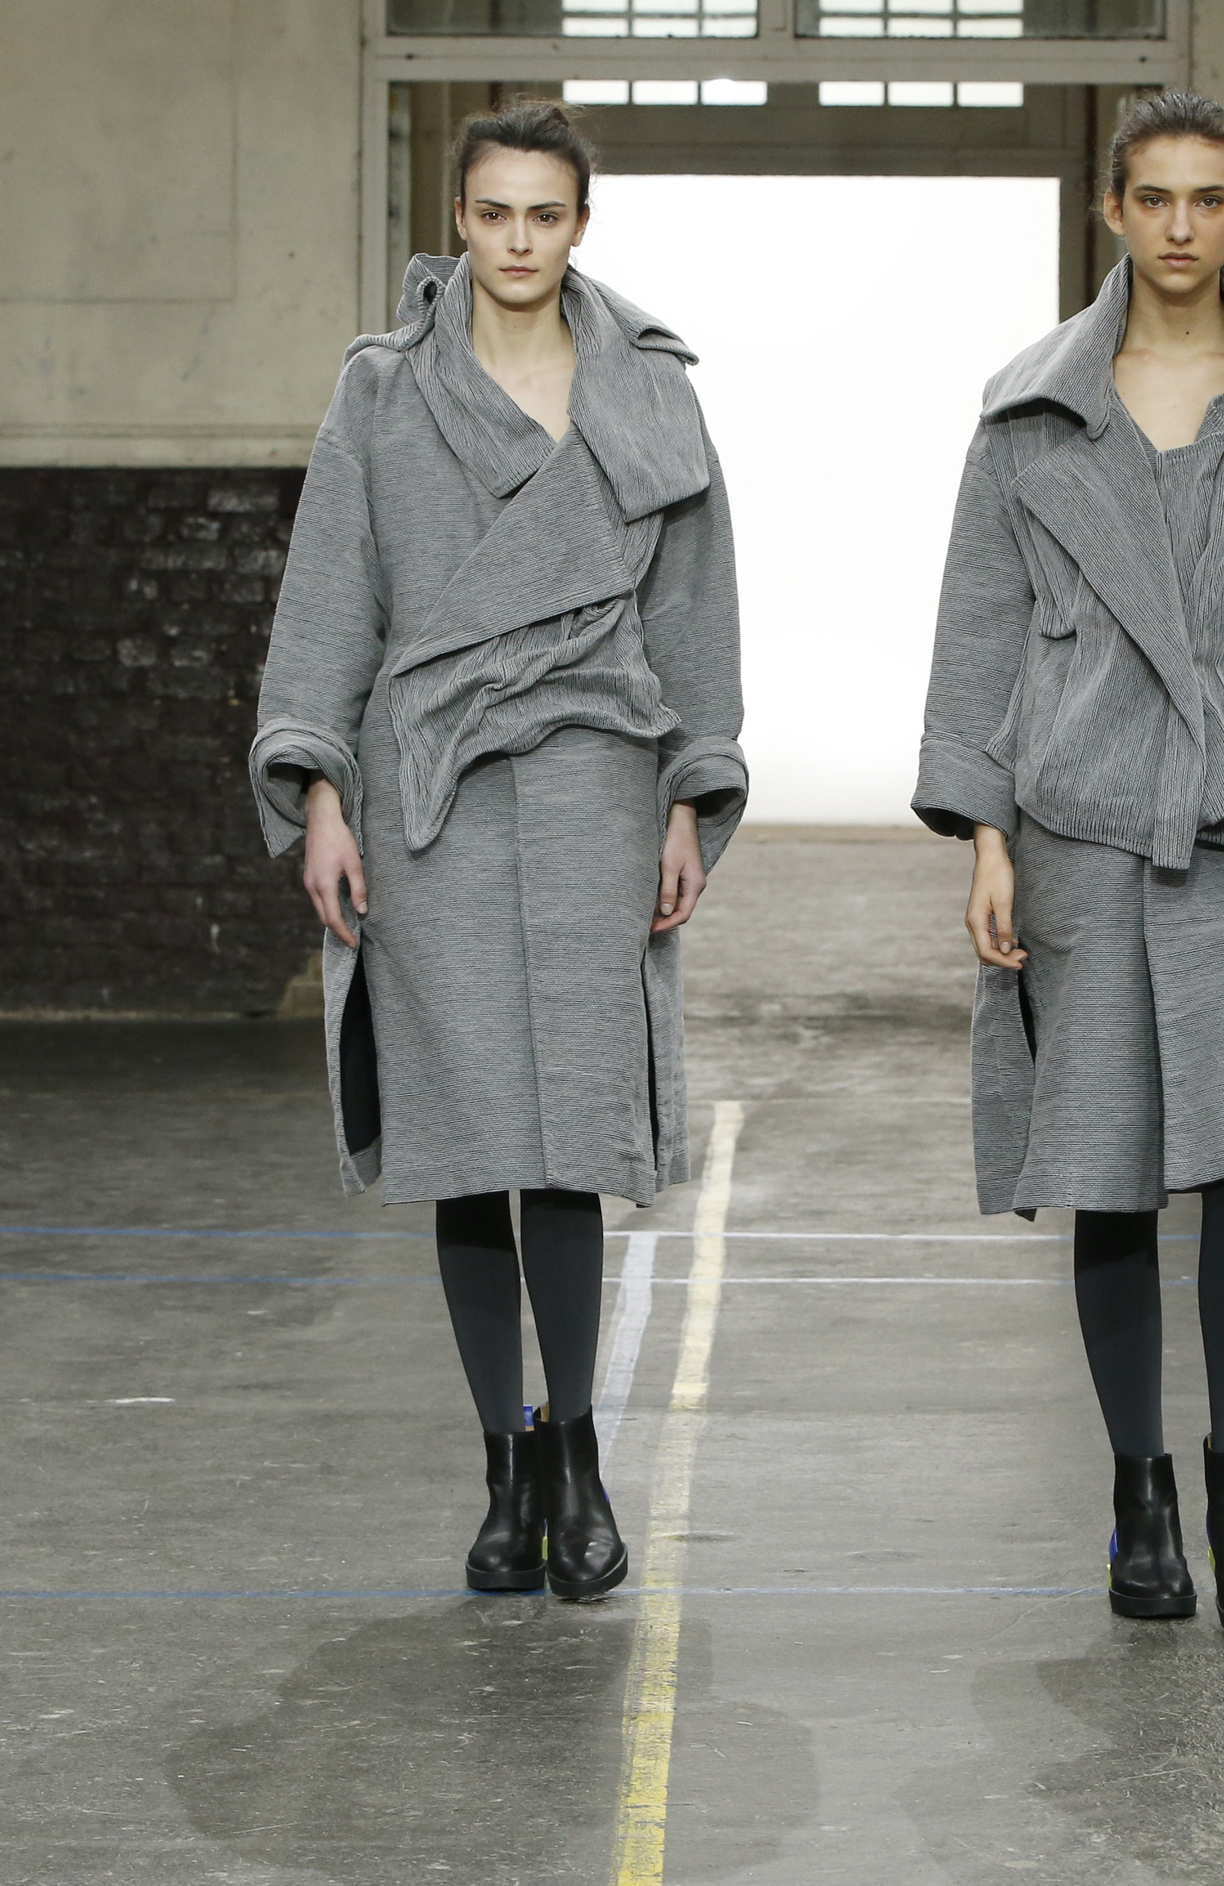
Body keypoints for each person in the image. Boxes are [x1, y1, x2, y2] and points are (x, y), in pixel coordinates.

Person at [914, 90, 1224, 1638]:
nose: (1182, 225)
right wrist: (986, 835)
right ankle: (1139, 1494)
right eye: (1156, 198)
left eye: (1209, 198)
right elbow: (982, 627)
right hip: (1080, 807)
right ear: (1115, 212)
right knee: (1108, 1156)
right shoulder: (1032, 411)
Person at [250, 98, 746, 1602]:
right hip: (433, 797)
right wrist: (318, 793)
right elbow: (331, 594)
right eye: (493, 214)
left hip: (598, 783)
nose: (518, 241)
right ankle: (502, 1463)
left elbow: (694, 606)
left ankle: (578, 1457)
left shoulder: (649, 389)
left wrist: (689, 792)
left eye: (545, 215)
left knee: (569, 1144)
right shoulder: (384, 390)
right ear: (457, 220)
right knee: (466, 1143)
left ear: (581, 224)